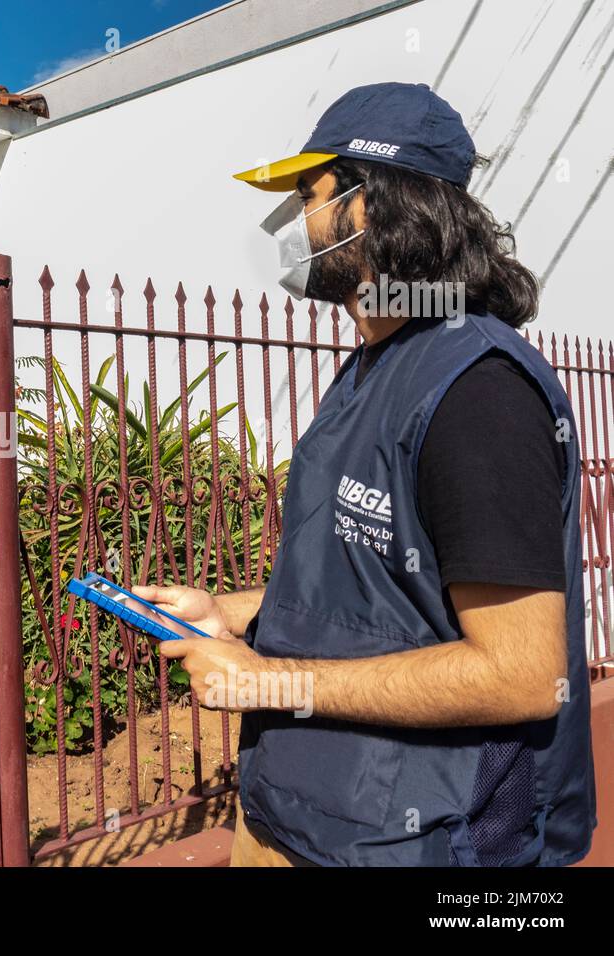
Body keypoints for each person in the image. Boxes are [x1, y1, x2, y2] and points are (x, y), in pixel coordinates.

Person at [133, 82, 596, 867]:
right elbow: (377, 593)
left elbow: (518, 673)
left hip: (428, 847)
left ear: (374, 207)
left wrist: (263, 683)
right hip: (301, 823)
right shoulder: (375, 369)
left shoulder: (477, 390)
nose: (296, 226)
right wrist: (238, 613)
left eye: (311, 196)